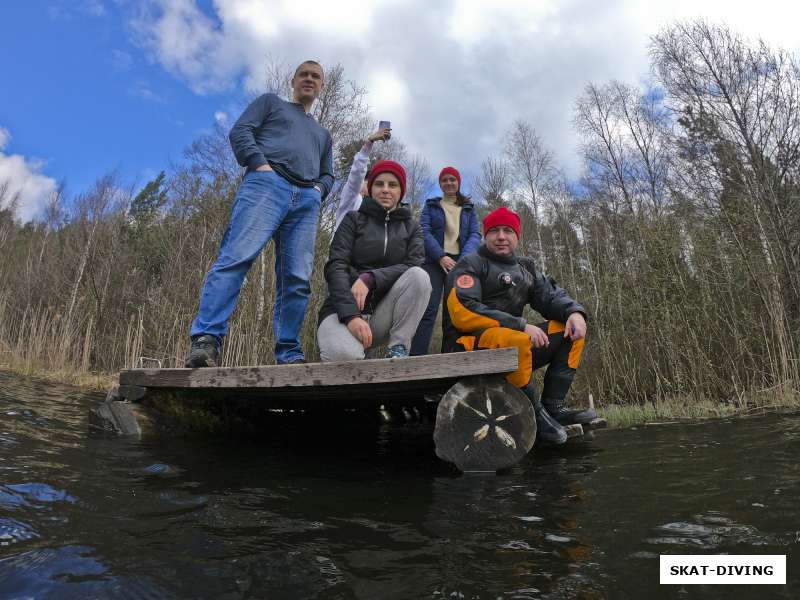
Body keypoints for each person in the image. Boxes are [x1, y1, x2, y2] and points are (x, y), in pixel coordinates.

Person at [185, 60, 334, 367]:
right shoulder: (271, 103)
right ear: (293, 80)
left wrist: (318, 191)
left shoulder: (322, 134)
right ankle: (206, 341)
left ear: (322, 86)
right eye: (304, 74)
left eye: (315, 76)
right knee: (236, 257)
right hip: (267, 185)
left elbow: (329, 173)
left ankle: (289, 353)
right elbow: (241, 131)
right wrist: (259, 165)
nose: (309, 79)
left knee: (297, 278)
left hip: (306, 199)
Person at [443, 207, 596, 445]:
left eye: (507, 230)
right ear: (485, 235)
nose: (501, 236)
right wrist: (520, 325)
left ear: (517, 236)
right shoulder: (470, 264)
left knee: (569, 331)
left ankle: (553, 407)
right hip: (468, 345)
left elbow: (551, 296)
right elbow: (463, 310)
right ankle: (533, 415)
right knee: (517, 339)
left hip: (512, 343)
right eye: (494, 231)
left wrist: (574, 312)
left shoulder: (526, 268)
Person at [317, 160, 431, 361]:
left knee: (419, 277)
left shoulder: (413, 227)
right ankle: (351, 348)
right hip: (342, 312)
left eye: (393, 185)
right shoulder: (353, 219)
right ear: (370, 188)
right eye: (379, 184)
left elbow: (412, 265)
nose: (386, 190)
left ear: (401, 191)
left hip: (382, 316)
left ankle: (398, 349)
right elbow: (336, 267)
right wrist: (351, 316)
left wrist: (371, 278)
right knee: (344, 357)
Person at [410, 166, 481, 355]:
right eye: (445, 180)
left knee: (454, 311)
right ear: (440, 183)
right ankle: (416, 358)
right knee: (427, 309)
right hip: (434, 261)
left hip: (460, 263)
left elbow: (475, 234)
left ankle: (451, 357)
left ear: (458, 182)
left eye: (452, 179)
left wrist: (463, 260)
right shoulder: (432, 205)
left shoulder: (468, 208)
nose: (449, 183)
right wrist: (441, 256)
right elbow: (423, 230)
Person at [333, 126, 391, 233]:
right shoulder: (352, 198)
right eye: (368, 182)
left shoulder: (376, 208)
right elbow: (357, 173)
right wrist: (369, 142)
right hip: (342, 247)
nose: (370, 187)